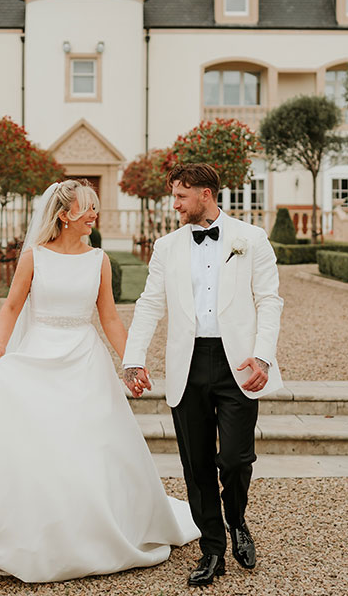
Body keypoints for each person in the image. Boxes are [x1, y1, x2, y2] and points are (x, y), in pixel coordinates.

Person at [0, 179, 198, 582]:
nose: (94, 214)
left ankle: (90, 528)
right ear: (64, 216)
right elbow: (11, 306)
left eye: (95, 208)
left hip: (84, 360)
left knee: (91, 444)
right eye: (88, 209)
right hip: (39, 353)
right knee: (30, 443)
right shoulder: (34, 258)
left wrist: (132, 363)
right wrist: (0, 344)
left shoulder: (99, 259)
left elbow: (110, 318)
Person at [123, 163, 283, 587]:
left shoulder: (251, 239)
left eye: (181, 196)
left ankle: (236, 520)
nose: (174, 204)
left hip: (239, 364)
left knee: (234, 459)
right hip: (187, 363)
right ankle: (212, 549)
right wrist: (133, 358)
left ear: (207, 195)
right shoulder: (166, 246)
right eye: (173, 195)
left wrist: (263, 357)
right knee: (196, 465)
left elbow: (270, 301)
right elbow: (149, 304)